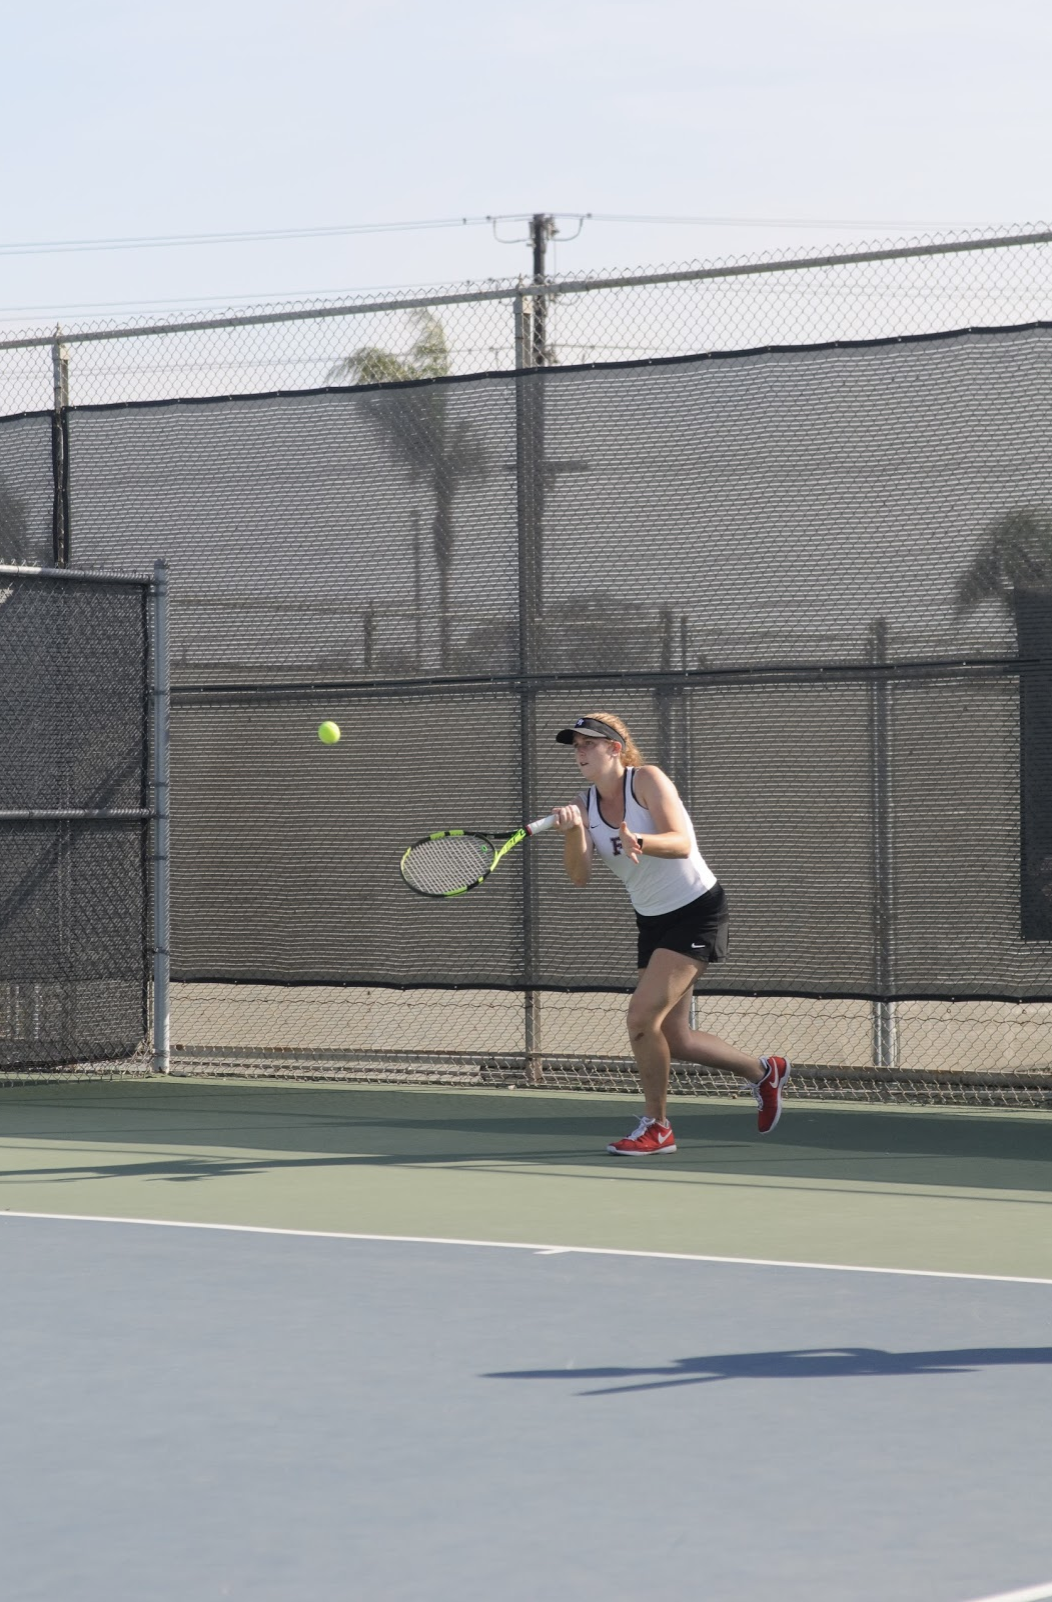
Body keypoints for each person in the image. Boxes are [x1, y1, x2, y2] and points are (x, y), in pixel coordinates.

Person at [551, 712, 790, 1155]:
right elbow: (580, 875)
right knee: (674, 1038)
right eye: (575, 744)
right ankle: (764, 1072)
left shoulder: (647, 780)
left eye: (588, 742)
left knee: (641, 1019)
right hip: (653, 919)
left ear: (614, 748)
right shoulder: (584, 804)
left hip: (697, 911)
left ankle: (657, 1126)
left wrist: (642, 839)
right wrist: (573, 832)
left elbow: (681, 841)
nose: (579, 751)